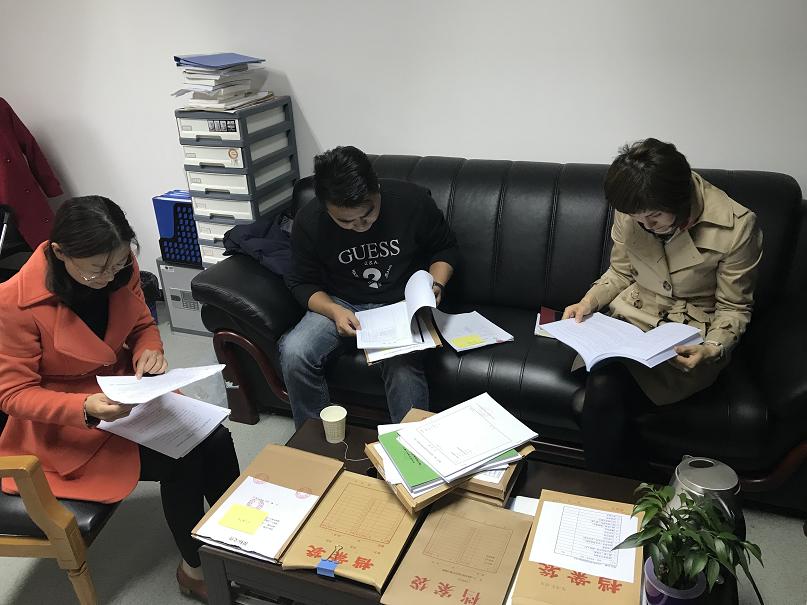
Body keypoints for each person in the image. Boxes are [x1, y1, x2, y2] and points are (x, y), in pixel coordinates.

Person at [0, 196, 240, 602]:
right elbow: (13, 394)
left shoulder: (120, 267)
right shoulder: (13, 302)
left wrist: (150, 349)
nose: (109, 277)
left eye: (117, 265)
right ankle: (194, 569)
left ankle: (238, 539)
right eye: (97, 269)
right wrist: (84, 408)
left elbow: (142, 323)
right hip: (66, 423)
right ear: (59, 252)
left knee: (215, 438)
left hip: (126, 395)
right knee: (181, 458)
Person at [562, 138, 763, 477]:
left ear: (680, 199)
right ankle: (634, 488)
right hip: (630, 322)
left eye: (654, 217)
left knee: (596, 397)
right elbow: (620, 272)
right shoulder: (633, 208)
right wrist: (588, 302)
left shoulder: (736, 226)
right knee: (600, 394)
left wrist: (712, 348)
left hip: (686, 340)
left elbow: (734, 308)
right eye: (637, 218)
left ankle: (612, 492)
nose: (645, 225)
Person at [281, 146, 459, 427]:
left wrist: (436, 284)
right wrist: (334, 311)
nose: (359, 226)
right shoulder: (310, 220)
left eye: (367, 214)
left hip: (400, 303)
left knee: (403, 366)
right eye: (345, 221)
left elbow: (445, 249)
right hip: (341, 302)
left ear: (376, 189)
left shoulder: (411, 202)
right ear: (325, 207)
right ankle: (312, 440)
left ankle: (410, 446)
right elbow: (301, 282)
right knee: (295, 352)